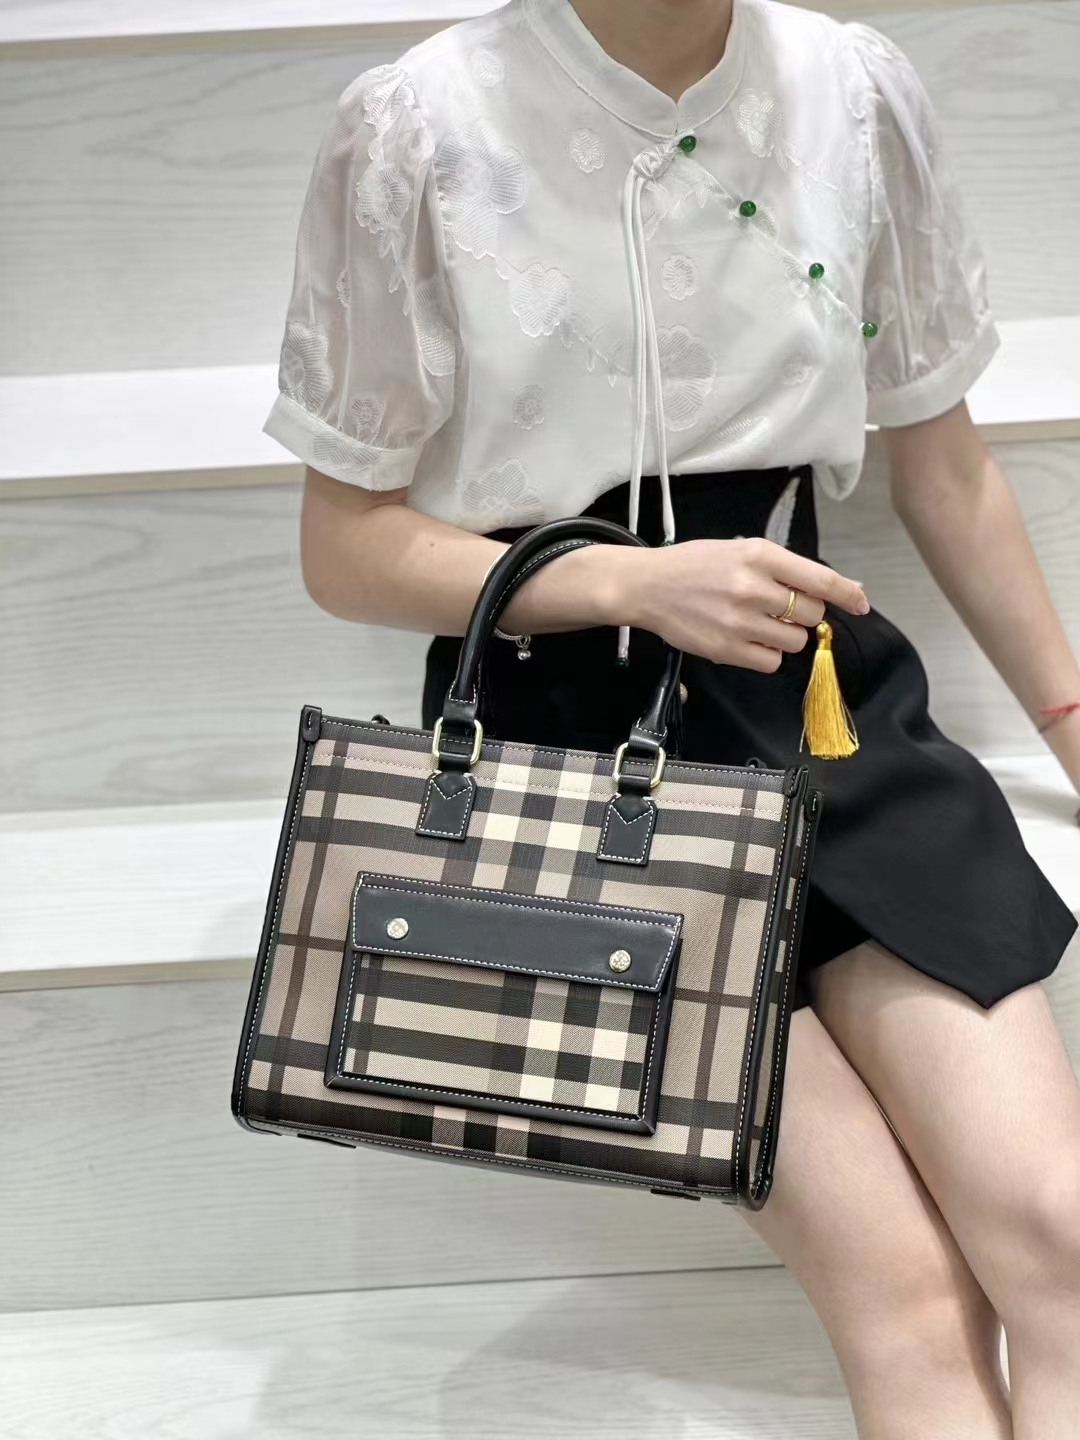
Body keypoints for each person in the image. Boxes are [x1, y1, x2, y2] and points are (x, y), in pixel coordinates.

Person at [263, 0, 1080, 1432]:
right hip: (569, 757)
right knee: (904, 1294)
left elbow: (946, 468)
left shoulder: (853, 89)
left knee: (1060, 1241)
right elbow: (345, 547)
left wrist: (1068, 714)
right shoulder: (418, 125)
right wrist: (630, 580)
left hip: (820, 701)